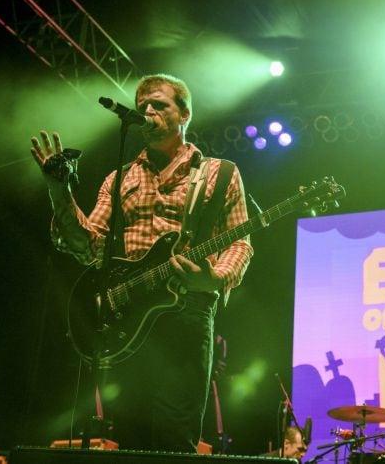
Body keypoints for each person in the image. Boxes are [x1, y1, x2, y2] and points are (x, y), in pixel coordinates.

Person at [29, 73, 253, 452]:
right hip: (128, 319)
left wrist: (213, 279)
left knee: (173, 436)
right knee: (129, 438)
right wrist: (59, 189)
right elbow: (86, 247)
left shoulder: (221, 173)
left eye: (159, 105)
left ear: (184, 114)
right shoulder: (119, 179)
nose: (147, 111)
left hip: (187, 311)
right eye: (143, 105)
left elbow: (240, 242)